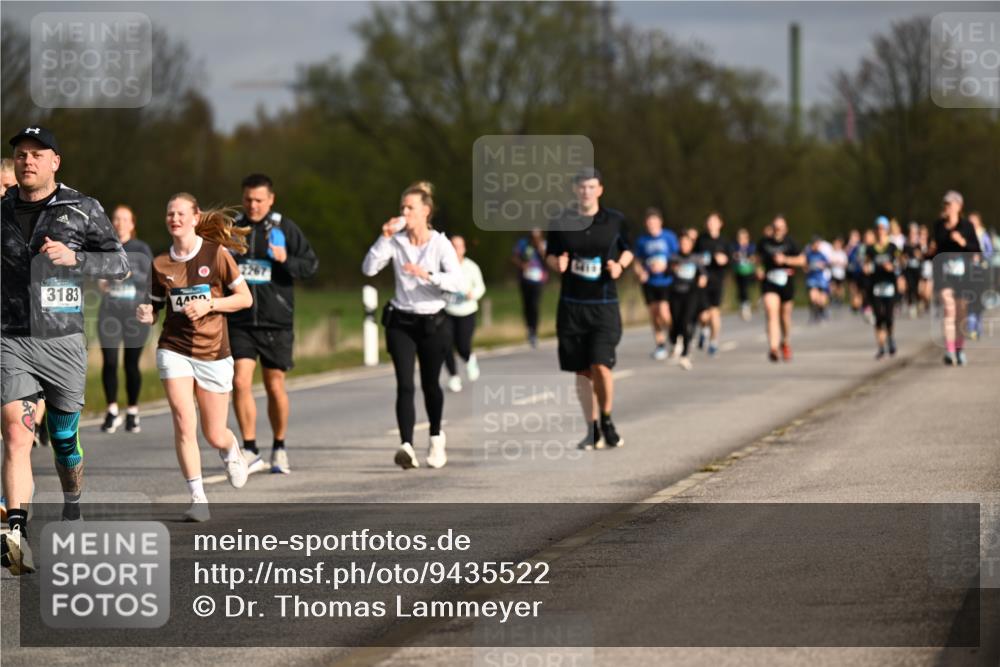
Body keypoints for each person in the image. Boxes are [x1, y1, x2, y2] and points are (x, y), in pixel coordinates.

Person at [1, 126, 130, 574]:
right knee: (16, 434)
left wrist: (78, 260)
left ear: (55, 161)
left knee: (63, 441)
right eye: (20, 154)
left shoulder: (82, 208)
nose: (27, 160)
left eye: (37, 154)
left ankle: (72, 500)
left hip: (63, 340)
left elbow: (121, 262)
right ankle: (15, 533)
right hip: (11, 337)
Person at [137, 193, 253, 522]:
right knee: (183, 421)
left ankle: (231, 450)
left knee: (213, 433)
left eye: (180, 213)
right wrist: (147, 311)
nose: (174, 218)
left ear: (195, 217)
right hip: (173, 348)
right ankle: (197, 497)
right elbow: (155, 302)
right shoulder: (160, 263)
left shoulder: (217, 255)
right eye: (169, 213)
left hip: (214, 351)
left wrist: (210, 305)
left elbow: (244, 299)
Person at [362, 181, 464, 469]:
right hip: (401, 321)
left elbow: (457, 283)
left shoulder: (440, 244)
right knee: (404, 384)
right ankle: (406, 445)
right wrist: (383, 237)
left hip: (434, 322)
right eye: (402, 207)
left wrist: (428, 274)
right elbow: (368, 269)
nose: (405, 212)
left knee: (430, 384)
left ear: (426, 211)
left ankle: (435, 438)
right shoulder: (395, 240)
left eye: (410, 207)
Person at [228, 174, 318, 475]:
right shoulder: (233, 229)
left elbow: (310, 265)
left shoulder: (284, 228)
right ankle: (250, 449)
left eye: (258, 200)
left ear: (271, 199)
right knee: (240, 381)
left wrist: (284, 259)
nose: (252, 205)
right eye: (247, 200)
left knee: (274, 384)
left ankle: (279, 446)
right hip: (240, 319)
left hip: (275, 321)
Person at [545, 168, 633, 450]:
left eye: (592, 186)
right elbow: (550, 253)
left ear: (600, 190)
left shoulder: (615, 220)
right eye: (582, 187)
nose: (586, 191)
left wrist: (620, 265)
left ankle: (607, 419)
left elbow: (629, 250)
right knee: (582, 372)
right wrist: (555, 264)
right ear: (575, 190)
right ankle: (591, 428)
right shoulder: (561, 220)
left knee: (601, 366)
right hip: (572, 307)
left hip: (604, 305)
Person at [98, 205, 153, 434]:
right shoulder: (105, 247)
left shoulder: (141, 248)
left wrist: (131, 274)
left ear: (132, 224)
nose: (119, 223)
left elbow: (153, 277)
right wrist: (100, 280)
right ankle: (112, 411)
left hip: (134, 314)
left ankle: (132, 412)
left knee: (131, 364)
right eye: (116, 219)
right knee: (110, 361)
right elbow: (96, 273)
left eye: (124, 219)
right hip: (109, 312)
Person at [929, 190, 981, 366]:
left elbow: (976, 250)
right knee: (949, 310)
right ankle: (949, 350)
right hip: (944, 274)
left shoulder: (967, 226)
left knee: (961, 314)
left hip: (963, 275)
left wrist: (962, 242)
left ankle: (959, 349)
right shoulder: (939, 226)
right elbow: (936, 247)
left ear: (959, 206)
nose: (947, 208)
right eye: (945, 204)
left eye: (950, 204)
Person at [757, 215, 806, 362]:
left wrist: (786, 260)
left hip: (787, 282)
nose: (778, 230)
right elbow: (756, 260)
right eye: (775, 227)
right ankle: (773, 348)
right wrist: (758, 269)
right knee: (772, 313)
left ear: (785, 229)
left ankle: (785, 341)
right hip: (769, 282)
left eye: (780, 228)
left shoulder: (790, 243)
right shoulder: (764, 243)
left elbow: (802, 260)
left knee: (785, 316)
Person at [632, 208, 678, 360]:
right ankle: (660, 345)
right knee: (654, 314)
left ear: (660, 222)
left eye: (654, 222)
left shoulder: (669, 237)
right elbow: (637, 261)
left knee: (664, 311)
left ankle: (675, 336)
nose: (651, 225)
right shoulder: (642, 240)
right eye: (649, 223)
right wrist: (641, 272)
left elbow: (677, 257)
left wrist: (667, 266)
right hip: (649, 282)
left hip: (665, 280)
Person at [444, 234, 486, 393]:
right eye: (453, 246)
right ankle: (453, 377)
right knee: (445, 344)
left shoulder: (471, 267)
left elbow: (481, 287)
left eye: (459, 246)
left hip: (467, 311)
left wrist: (472, 294)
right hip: (447, 311)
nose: (456, 250)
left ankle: (469, 359)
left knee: (462, 345)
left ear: (464, 249)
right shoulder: (444, 267)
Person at [666, 231, 707, 370]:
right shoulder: (673, 258)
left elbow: (703, 274)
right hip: (676, 293)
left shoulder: (696, 258)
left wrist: (702, 279)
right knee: (676, 322)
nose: (684, 246)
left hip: (691, 294)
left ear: (691, 244)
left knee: (686, 322)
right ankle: (674, 341)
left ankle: (685, 353)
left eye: (687, 243)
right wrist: (672, 269)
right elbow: (666, 273)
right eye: (682, 243)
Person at [865, 218, 902, 359]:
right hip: (875, 286)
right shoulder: (870, 248)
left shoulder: (892, 247)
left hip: (889, 286)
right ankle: (881, 347)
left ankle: (891, 338)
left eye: (883, 228)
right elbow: (866, 264)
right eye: (878, 228)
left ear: (886, 230)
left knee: (889, 316)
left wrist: (892, 267)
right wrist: (866, 268)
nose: (880, 231)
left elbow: (901, 263)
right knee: (878, 317)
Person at [694, 212, 730, 356]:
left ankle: (714, 342)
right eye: (709, 221)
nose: (711, 224)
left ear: (720, 224)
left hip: (717, 282)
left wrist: (725, 260)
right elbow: (693, 258)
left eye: (714, 221)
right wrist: (699, 274)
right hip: (703, 282)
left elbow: (732, 262)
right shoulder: (701, 240)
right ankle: (704, 330)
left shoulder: (725, 242)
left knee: (714, 313)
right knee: (703, 316)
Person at [512, 228, 547, 347]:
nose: (535, 239)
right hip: (525, 279)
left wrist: (540, 249)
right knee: (527, 305)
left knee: (535, 305)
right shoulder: (523, 243)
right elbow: (514, 257)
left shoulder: (544, 244)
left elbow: (548, 260)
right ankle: (529, 327)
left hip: (539, 280)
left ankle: (534, 330)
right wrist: (522, 265)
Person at [967, 211, 993, 341]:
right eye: (970, 221)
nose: (972, 223)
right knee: (969, 299)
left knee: (979, 300)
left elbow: (990, 252)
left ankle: (978, 326)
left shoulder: (983, 235)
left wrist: (982, 257)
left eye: (974, 220)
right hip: (968, 271)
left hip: (981, 271)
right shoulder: (965, 235)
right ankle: (971, 327)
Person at [731, 228, 757, 321]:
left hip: (748, 271)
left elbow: (754, 257)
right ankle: (743, 304)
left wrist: (750, 258)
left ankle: (747, 304)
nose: (741, 240)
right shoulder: (734, 246)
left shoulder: (751, 246)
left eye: (743, 238)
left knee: (747, 288)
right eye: (739, 238)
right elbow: (732, 256)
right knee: (741, 289)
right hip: (738, 271)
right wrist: (735, 256)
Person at [901, 223, 925, 318]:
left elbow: (923, 257)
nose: (912, 235)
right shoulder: (906, 246)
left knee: (917, 289)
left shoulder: (919, 245)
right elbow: (902, 258)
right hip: (909, 270)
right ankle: (911, 306)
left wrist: (919, 255)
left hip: (918, 270)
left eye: (914, 233)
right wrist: (904, 258)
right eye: (911, 233)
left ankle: (919, 302)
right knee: (910, 288)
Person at [805, 237, 831, 323]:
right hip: (812, 278)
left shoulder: (821, 255)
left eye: (818, 244)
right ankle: (814, 314)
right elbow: (804, 265)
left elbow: (827, 264)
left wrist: (822, 265)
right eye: (815, 244)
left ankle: (822, 311)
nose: (816, 246)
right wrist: (807, 268)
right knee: (813, 298)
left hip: (820, 278)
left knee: (821, 301)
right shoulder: (808, 254)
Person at [828, 236, 848, 307]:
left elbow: (845, 263)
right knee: (832, 286)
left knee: (840, 287)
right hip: (833, 273)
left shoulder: (842, 253)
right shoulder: (832, 252)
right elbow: (829, 261)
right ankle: (832, 298)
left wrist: (839, 263)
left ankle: (840, 300)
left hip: (840, 274)